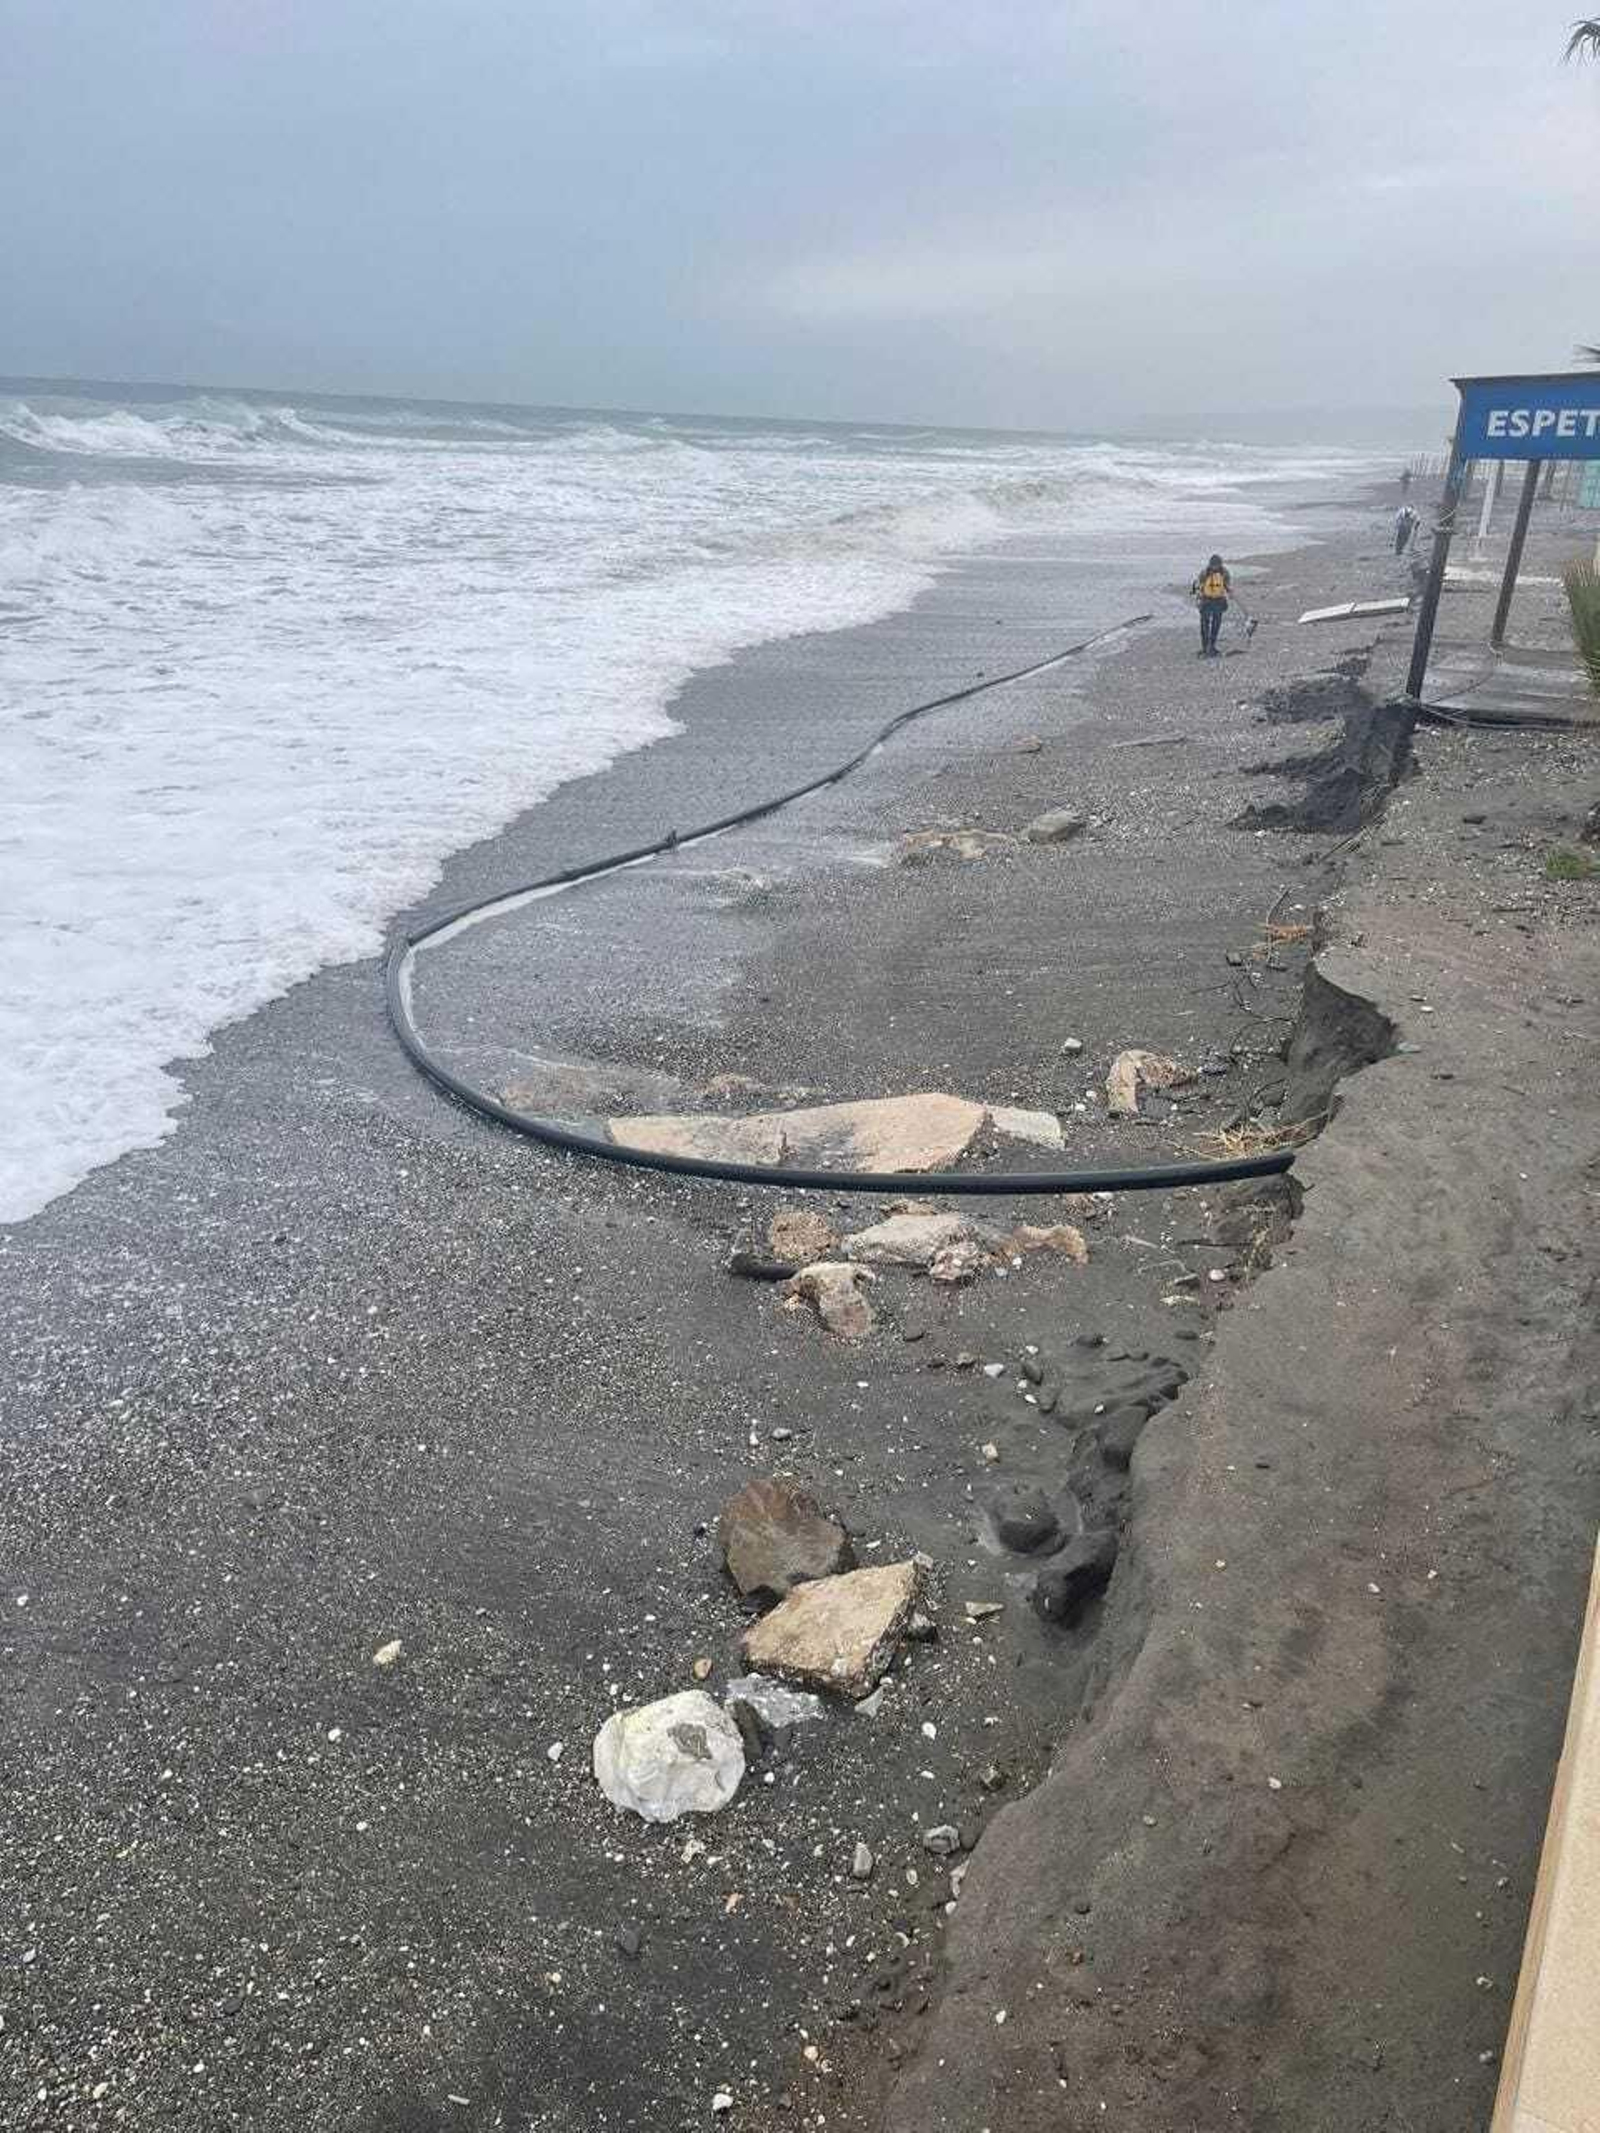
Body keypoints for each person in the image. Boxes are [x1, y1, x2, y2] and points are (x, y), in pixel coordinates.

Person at [1191, 554, 1231, 657]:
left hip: (1219, 600)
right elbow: (1199, 586)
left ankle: (1212, 646)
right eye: (1213, 565)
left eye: (1217, 565)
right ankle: (1205, 647)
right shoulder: (1204, 573)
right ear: (1210, 564)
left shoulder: (1224, 573)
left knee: (1216, 624)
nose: (1215, 567)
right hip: (1206, 600)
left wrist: (1229, 592)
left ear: (1220, 564)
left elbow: (1227, 585)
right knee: (1204, 625)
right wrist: (1198, 598)